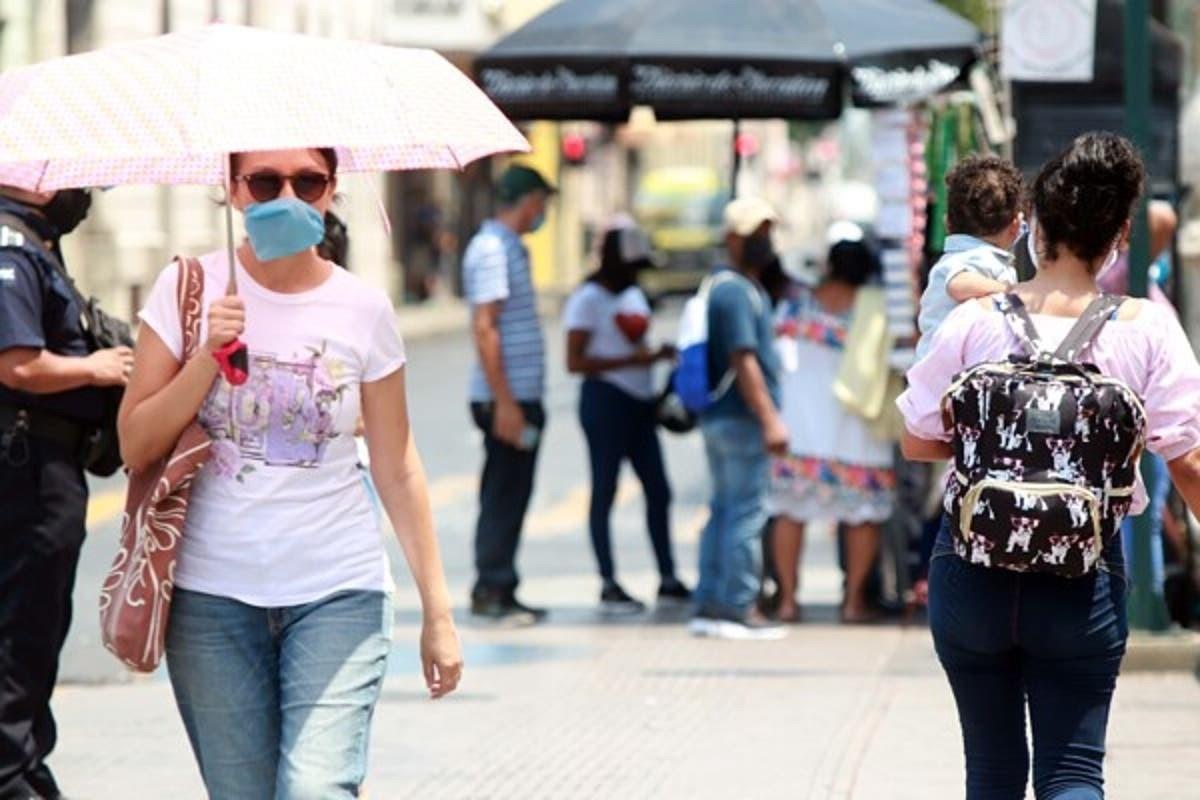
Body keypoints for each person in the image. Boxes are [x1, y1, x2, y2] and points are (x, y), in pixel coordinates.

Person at [118, 148, 462, 798]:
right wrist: (203, 360)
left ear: (332, 190)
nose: (287, 197)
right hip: (212, 597)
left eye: (308, 181)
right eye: (265, 181)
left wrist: (438, 613)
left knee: (314, 789)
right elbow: (135, 444)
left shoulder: (364, 309)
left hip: (338, 586)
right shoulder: (187, 291)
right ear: (233, 189)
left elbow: (396, 465)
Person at [898, 132, 1200, 799]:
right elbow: (1188, 459)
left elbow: (917, 439)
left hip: (971, 571)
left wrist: (998, 448)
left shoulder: (973, 319)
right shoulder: (1146, 328)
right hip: (1083, 574)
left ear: (1033, 225)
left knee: (993, 772)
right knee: (1072, 772)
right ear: (1119, 236)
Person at [0, 186, 130, 800]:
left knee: (39, 621)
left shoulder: (35, 241)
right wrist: (98, 369)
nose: (83, 192)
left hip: (44, 461)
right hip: (27, 465)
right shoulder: (11, 244)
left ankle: (23, 764)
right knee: (23, 622)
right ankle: (11, 775)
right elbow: (17, 364)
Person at [563, 218, 690, 614]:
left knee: (658, 489)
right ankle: (607, 580)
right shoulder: (588, 299)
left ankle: (667, 576)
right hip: (605, 401)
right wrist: (633, 359)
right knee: (605, 490)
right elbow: (575, 361)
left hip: (639, 402)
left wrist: (655, 356)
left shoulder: (632, 292)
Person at [768, 238, 896, 624]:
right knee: (862, 517)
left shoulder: (796, 305)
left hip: (801, 426)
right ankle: (853, 603)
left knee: (790, 512)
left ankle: (788, 600)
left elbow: (776, 356)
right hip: (857, 427)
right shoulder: (878, 308)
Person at [690, 197, 788, 640]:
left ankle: (711, 603)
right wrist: (770, 419)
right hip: (741, 419)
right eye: (755, 236)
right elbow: (743, 360)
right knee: (746, 513)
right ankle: (738, 605)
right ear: (732, 239)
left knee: (725, 509)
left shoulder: (731, 286)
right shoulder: (733, 291)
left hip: (724, 418)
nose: (764, 243)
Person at [463, 164, 555, 624]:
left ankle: (503, 584)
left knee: (513, 491)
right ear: (528, 202)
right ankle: (491, 587)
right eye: (542, 202)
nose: (544, 212)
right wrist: (506, 402)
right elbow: (485, 327)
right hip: (506, 398)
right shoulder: (492, 250)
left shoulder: (508, 248)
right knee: (503, 491)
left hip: (516, 395)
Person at [915, 155, 1023, 360]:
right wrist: (1010, 291)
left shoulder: (976, 256)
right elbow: (958, 285)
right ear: (1015, 227)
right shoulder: (974, 258)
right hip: (942, 376)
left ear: (947, 223)